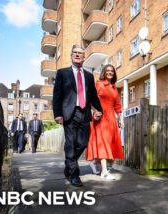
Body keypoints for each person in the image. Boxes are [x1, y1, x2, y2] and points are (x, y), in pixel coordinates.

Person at [53, 44, 103, 187]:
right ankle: (74, 174)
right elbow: (57, 95)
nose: (77, 55)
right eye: (74, 52)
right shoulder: (62, 73)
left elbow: (93, 95)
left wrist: (99, 110)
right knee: (70, 144)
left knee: (82, 143)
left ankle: (69, 165)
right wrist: (57, 114)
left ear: (84, 57)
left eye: (80, 53)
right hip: (69, 113)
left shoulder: (88, 75)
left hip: (85, 113)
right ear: (71, 55)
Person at [86, 64, 124, 180]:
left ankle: (95, 162)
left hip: (111, 119)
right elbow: (90, 100)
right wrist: (95, 112)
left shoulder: (114, 88)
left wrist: (121, 120)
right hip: (100, 118)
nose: (110, 72)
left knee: (110, 144)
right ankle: (104, 172)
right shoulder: (99, 84)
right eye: (107, 70)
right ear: (104, 72)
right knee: (103, 143)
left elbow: (117, 106)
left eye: (112, 71)